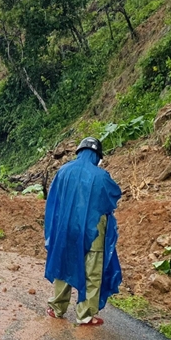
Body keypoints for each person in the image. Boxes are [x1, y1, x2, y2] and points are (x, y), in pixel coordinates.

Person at [44, 137, 122, 326]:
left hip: (66, 231)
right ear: (97, 156)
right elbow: (112, 197)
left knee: (63, 267)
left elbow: (53, 202)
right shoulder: (101, 176)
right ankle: (85, 315)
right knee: (92, 272)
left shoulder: (63, 171)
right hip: (93, 232)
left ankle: (57, 308)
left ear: (79, 152)